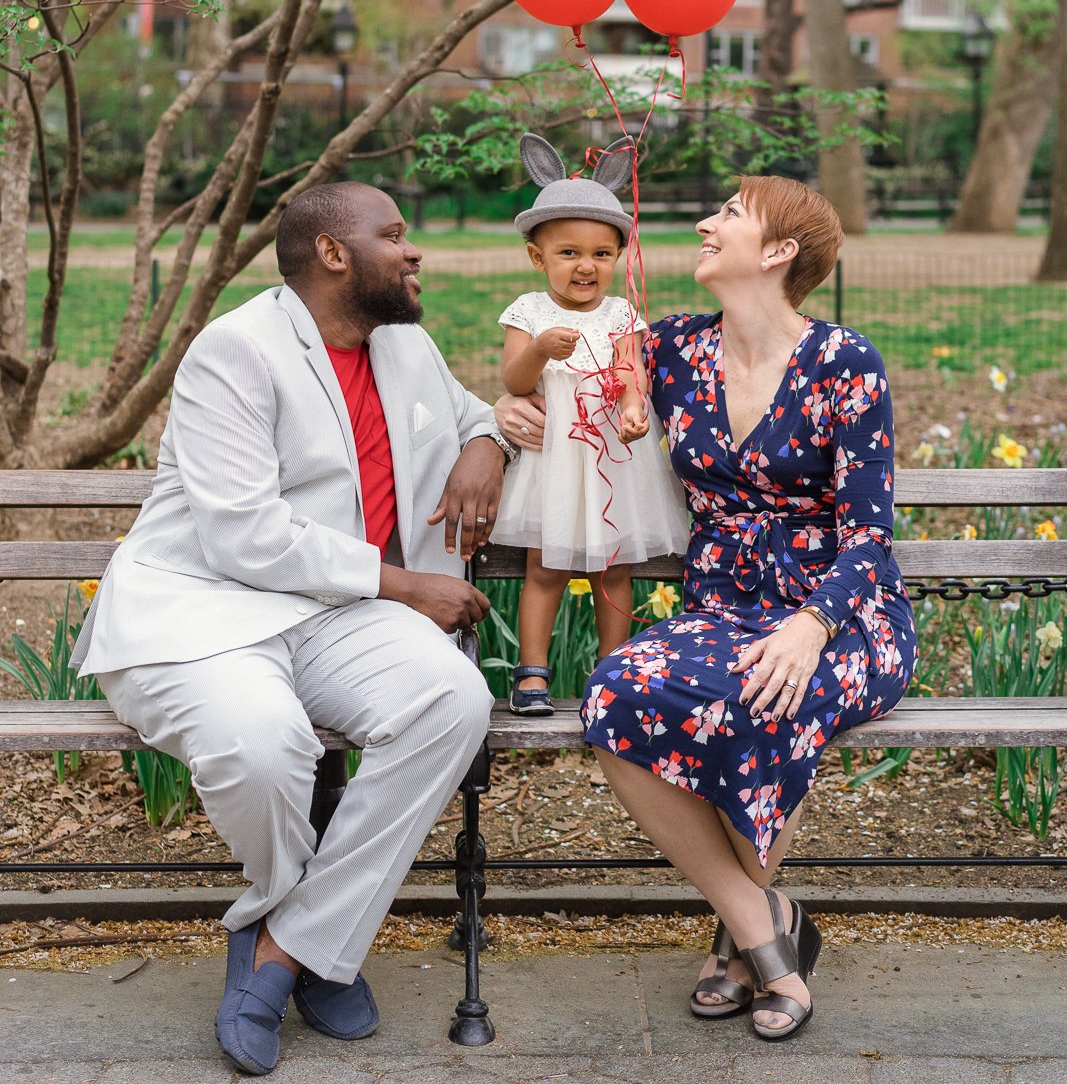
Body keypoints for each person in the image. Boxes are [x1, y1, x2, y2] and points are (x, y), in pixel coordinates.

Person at [71, 183, 513, 1077]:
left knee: (452, 700)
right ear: (333, 255)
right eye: (393, 235)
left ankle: (283, 951)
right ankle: (305, 932)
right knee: (265, 747)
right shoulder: (235, 351)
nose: (413, 250)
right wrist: (400, 583)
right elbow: (241, 533)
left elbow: (471, 414)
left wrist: (485, 447)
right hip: (205, 613)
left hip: (335, 616)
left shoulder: (406, 346)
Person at [571, 175, 916, 1043]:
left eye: (727, 213)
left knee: (769, 696)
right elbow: (561, 375)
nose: (702, 222)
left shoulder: (845, 362)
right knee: (615, 694)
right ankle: (765, 924)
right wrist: (495, 419)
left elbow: (869, 537)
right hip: (720, 608)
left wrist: (812, 624)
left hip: (842, 613)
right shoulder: (671, 347)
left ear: (777, 252)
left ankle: (737, 947)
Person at [494, 135, 688, 716]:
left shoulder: (622, 312)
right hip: (554, 459)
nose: (586, 266)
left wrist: (633, 407)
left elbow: (631, 371)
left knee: (615, 563)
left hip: (613, 460)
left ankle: (612, 670)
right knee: (544, 565)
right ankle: (532, 675)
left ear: (618, 258)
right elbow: (513, 381)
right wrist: (542, 352)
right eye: (569, 253)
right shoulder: (529, 311)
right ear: (538, 257)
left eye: (602, 254)